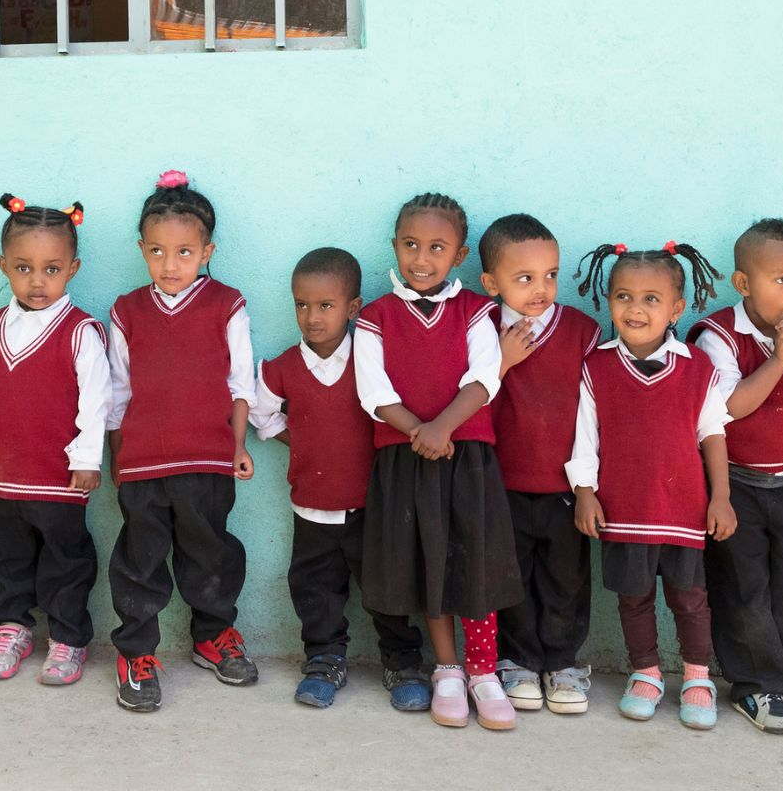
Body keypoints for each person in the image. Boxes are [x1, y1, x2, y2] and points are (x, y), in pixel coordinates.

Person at [354, 192, 524, 731]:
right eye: (410, 244)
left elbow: (484, 375)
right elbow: (372, 390)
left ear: (459, 254)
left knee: (474, 558)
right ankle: (446, 667)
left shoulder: (476, 310)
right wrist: (418, 432)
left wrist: (441, 428)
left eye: (436, 247)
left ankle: (483, 671)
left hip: (465, 454)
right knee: (428, 561)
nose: (421, 258)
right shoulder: (375, 317)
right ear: (394, 246)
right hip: (405, 460)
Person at [251, 247, 430, 711]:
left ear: (352, 308)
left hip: (374, 506)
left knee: (386, 588)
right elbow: (263, 414)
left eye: (326, 306)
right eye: (302, 305)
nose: (313, 317)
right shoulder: (283, 367)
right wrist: (305, 444)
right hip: (312, 505)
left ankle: (403, 661)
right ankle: (324, 658)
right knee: (315, 590)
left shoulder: (372, 360)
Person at [566, 241, 736, 730]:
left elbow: (713, 433)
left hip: (684, 508)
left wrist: (720, 497)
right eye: (623, 296)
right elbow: (585, 435)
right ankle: (646, 672)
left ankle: (697, 677)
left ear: (676, 308)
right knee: (633, 598)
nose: (635, 309)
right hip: (622, 508)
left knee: (690, 596)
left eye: (651, 299)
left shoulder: (696, 369)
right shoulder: (595, 366)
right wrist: (584, 491)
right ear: (608, 301)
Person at [106, 170, 258, 712]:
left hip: (208, 460)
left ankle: (212, 637)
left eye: (185, 252)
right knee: (139, 561)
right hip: (144, 464)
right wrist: (117, 461)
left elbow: (242, 383)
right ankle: (135, 652)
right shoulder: (127, 310)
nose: (170, 265)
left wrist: (238, 447)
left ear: (207, 250)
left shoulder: (227, 304)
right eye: (157, 252)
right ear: (142, 250)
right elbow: (117, 394)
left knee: (210, 553)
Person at [689, 218, 783, 734]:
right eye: (782, 280)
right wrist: (779, 361)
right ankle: (756, 688)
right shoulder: (717, 337)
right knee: (744, 588)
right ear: (743, 284)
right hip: (737, 486)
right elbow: (729, 408)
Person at [0, 193, 110, 686]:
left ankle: (68, 639)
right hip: (4, 474)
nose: (37, 280)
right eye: (24, 267)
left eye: (51, 268)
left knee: (66, 560)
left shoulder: (80, 331)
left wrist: (88, 459)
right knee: (9, 555)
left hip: (58, 476)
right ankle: (12, 627)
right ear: (4, 265)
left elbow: (96, 403)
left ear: (73, 268)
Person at [477, 213, 600, 715]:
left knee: (564, 576)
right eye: (524, 278)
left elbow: (595, 412)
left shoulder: (580, 331)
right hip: (500, 482)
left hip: (564, 484)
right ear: (491, 283)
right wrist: (500, 361)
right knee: (512, 575)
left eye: (550, 274)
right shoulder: (480, 328)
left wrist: (589, 482)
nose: (541, 288)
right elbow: (464, 402)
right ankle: (519, 661)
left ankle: (563, 662)